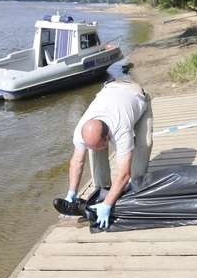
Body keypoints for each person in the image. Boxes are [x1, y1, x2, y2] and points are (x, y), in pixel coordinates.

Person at [64, 79, 153, 229]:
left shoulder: (121, 129)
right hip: (110, 91)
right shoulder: (82, 129)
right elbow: (77, 162)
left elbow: (124, 173)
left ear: (108, 137)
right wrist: (72, 192)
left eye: (102, 144)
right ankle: (101, 190)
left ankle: (136, 189)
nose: (99, 148)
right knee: (95, 151)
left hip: (136, 97)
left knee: (144, 145)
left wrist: (108, 205)